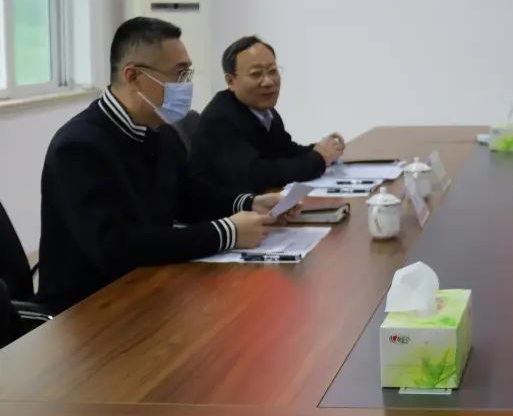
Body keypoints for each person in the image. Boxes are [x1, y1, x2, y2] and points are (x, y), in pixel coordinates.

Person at [37, 18, 286, 313]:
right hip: (87, 310)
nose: (186, 85)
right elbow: (114, 247)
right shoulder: (79, 147)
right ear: (133, 76)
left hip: (150, 287)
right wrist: (225, 233)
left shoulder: (159, 131)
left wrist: (249, 203)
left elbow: (189, 198)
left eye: (187, 73)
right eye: (179, 74)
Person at [189, 36, 344, 192]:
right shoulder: (219, 119)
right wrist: (319, 159)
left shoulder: (265, 111)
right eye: (256, 74)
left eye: (272, 71)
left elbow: (285, 152)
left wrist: (321, 149)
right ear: (231, 81)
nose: (268, 82)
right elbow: (256, 175)